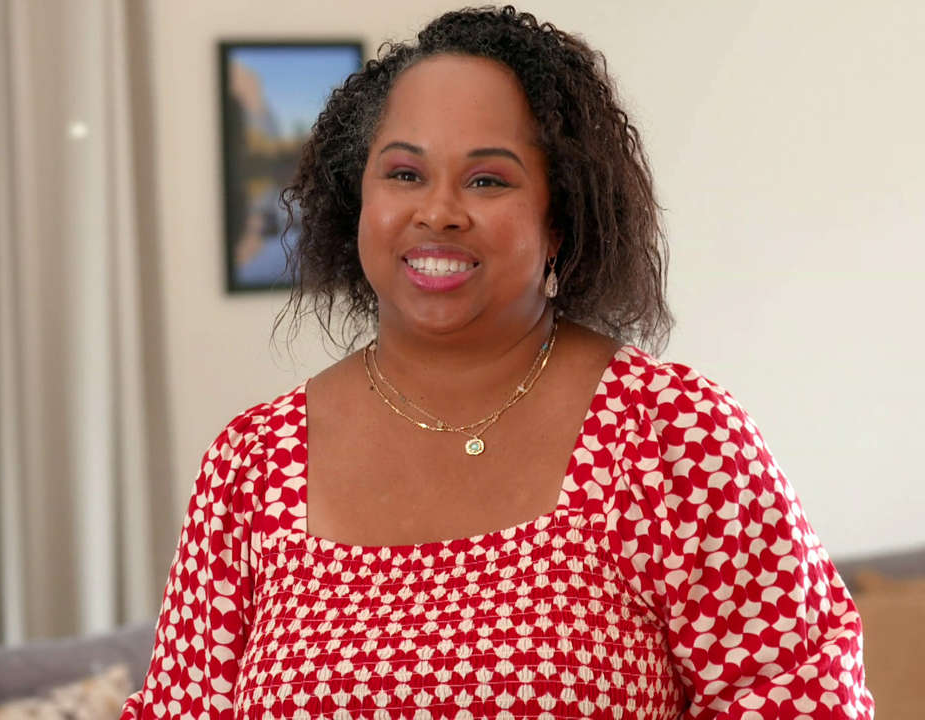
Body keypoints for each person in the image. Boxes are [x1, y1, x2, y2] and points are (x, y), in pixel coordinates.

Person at [121, 6, 873, 719]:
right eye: (404, 174)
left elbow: (803, 698)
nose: (438, 212)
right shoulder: (251, 466)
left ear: (559, 219)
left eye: (488, 179)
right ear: (358, 203)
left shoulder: (676, 438)